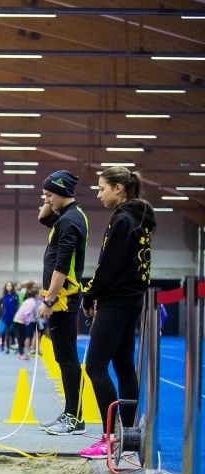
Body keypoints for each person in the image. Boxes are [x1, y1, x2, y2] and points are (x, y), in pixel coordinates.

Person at [78, 167, 156, 459]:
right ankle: (130, 437)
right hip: (132, 298)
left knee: (95, 365)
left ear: (119, 189)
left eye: (102, 189)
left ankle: (110, 438)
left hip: (117, 299)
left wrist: (91, 294)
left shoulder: (123, 219)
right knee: (123, 365)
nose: (98, 195)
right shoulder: (139, 218)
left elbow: (108, 265)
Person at [36, 170, 88, 436]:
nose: (45, 200)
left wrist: (49, 299)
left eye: (48, 195)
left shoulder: (70, 221)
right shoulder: (67, 217)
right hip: (61, 298)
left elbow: (61, 266)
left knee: (67, 359)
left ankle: (75, 418)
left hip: (63, 299)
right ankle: (71, 413)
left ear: (62, 193)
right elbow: (42, 217)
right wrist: (50, 197)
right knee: (63, 357)